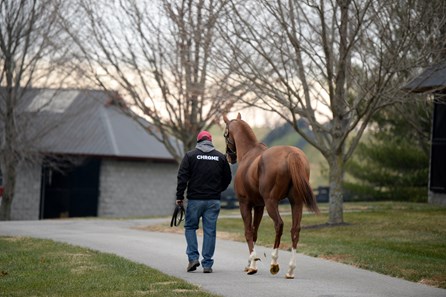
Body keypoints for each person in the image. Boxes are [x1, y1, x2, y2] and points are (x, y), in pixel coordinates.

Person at [176, 130, 232, 273]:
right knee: (210, 231)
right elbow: (227, 178)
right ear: (210, 140)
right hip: (213, 200)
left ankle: (193, 258)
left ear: (198, 140)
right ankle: (207, 264)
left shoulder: (190, 156)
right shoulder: (221, 157)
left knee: (190, 227)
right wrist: (218, 190)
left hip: (195, 200)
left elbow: (182, 178)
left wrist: (179, 197)